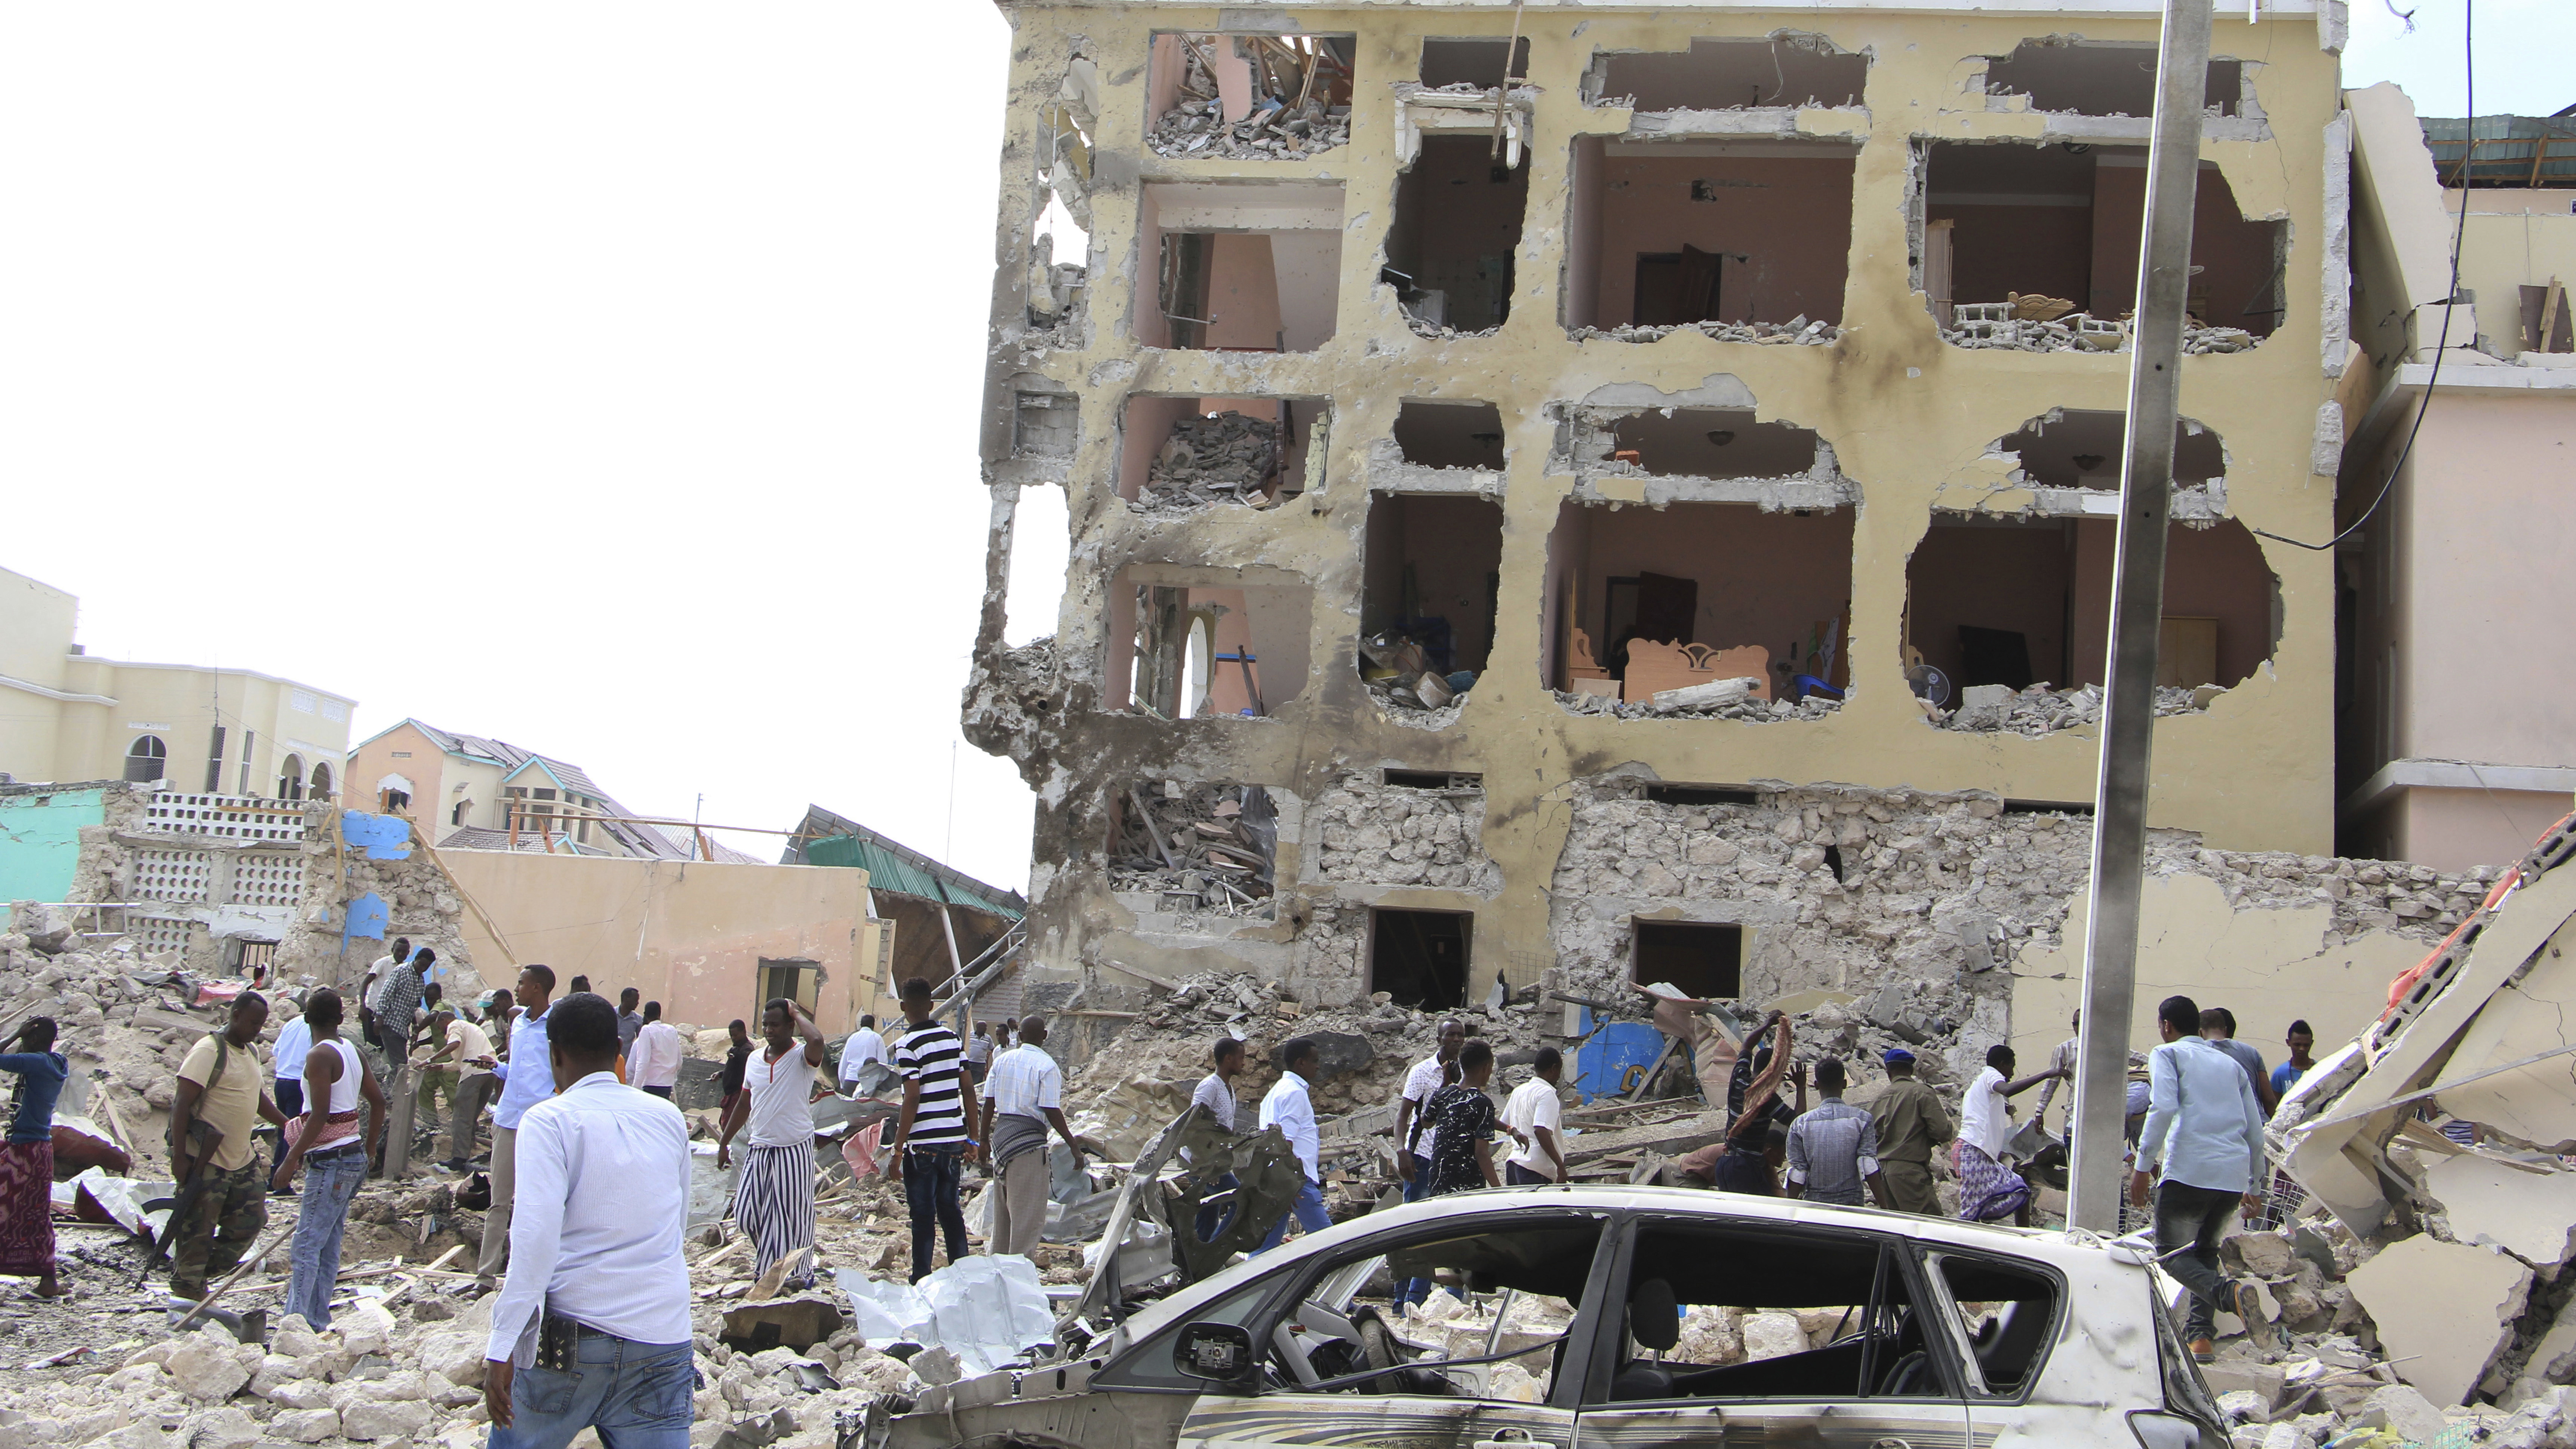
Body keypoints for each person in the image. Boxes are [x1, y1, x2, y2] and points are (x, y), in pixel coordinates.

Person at [481, 992, 693, 1449]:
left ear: (554, 1054)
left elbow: (533, 1243)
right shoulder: (668, 1118)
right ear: (619, 1050)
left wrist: (502, 1346)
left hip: (572, 1343)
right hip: (662, 1340)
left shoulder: (549, 1121)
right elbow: (675, 1227)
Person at [2134, 994, 2269, 1363]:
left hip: (2187, 1170)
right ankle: (2200, 1339)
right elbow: (2256, 1133)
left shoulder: (2167, 1054)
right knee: (2204, 1253)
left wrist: (2142, 1168)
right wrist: (2255, 1186)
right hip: (2230, 1176)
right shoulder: (2232, 1066)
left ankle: (2229, 1295)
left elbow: (2162, 1106)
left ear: (2165, 1026)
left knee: (2169, 1253)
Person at [271, 988, 387, 1329]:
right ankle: (316, 1320)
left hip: (330, 1161)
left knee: (306, 1244)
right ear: (341, 1019)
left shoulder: (319, 1056)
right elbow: (378, 1102)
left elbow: (319, 1114)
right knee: (328, 1242)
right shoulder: (351, 1050)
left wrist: (291, 1159)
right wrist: (369, 1149)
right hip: (351, 1156)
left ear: (306, 1019)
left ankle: (296, 1323)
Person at [170, 993, 287, 1302]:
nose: (257, 1030)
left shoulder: (248, 1052)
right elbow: (181, 1104)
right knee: (198, 1230)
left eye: (261, 1025)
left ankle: (196, 1274)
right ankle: (188, 1288)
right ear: (235, 1016)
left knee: (252, 1221)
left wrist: (286, 1124)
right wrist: (179, 1157)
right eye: (252, 1023)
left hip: (241, 1159)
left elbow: (256, 1097)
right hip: (206, 1161)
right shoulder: (209, 1051)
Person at [718, 998, 828, 1286]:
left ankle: (790, 1275)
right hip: (760, 1147)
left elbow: (817, 1039)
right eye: (765, 1024)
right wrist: (724, 1142)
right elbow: (745, 1103)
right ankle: (777, 1267)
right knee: (746, 1214)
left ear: (791, 1025)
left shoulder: (803, 1057)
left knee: (793, 1215)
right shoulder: (754, 1059)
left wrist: (796, 1011)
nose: (769, 1030)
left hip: (794, 1147)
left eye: (776, 1024)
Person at [884, 981, 980, 1283]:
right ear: (931, 1005)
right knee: (951, 1210)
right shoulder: (952, 1039)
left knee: (923, 1216)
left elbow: (912, 1097)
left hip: (923, 1144)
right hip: (953, 1140)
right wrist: (973, 1137)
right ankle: (961, 1275)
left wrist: (898, 1148)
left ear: (903, 1007)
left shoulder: (906, 1045)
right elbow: (969, 1090)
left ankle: (921, 1279)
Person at [478, 965, 559, 1286]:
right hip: (508, 1118)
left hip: (539, 1122)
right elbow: (519, 1068)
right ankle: (485, 1276)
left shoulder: (555, 1026)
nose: (517, 988)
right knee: (499, 1201)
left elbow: (557, 1071)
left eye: (522, 983)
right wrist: (497, 1068)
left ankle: (528, 1277)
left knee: (534, 1202)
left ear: (537, 988)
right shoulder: (518, 1024)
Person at [980, 1015, 1086, 1258]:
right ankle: (1017, 1276)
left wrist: (984, 1141)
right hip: (1027, 1145)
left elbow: (989, 1104)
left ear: (1019, 1035)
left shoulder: (1002, 1060)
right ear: (1045, 1036)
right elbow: (1051, 1109)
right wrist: (1074, 1146)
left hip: (1001, 1142)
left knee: (1004, 1218)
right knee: (1026, 1219)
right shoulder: (1046, 1066)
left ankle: (998, 1270)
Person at [1390, 1019, 1464, 1305]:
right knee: (1413, 1231)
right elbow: (1403, 1115)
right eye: (1451, 1035)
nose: (1456, 1040)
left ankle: (1420, 1302)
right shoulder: (1422, 1072)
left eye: (1461, 1035)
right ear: (1440, 1039)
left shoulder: (1464, 1074)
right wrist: (1401, 1151)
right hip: (1421, 1157)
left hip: (1449, 1163)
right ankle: (1402, 1302)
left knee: (1438, 1234)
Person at [0, 1018, 69, 1297]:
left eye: (27, 1040)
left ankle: (48, 1281)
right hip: (34, 1148)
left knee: (26, 1214)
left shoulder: (39, 1064)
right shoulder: (55, 1062)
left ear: (34, 1040)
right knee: (35, 1215)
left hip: (26, 1151)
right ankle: (48, 1281)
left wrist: (16, 1033)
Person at [1956, 1045, 2057, 1225]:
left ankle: (2022, 1241)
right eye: (2012, 1067)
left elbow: (1983, 1108)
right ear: (2003, 1065)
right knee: (1970, 1215)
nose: (2012, 1073)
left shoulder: (1979, 1084)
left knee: (2020, 1191)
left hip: (1980, 1153)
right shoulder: (1991, 1075)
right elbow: (2007, 1089)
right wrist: (2046, 1075)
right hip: (1973, 1151)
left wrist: (2005, 1109)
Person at [1703, 1016, 1798, 1194]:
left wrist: (1767, 1024)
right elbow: (1798, 1122)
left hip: (1725, 1162)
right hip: (1744, 1168)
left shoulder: (1739, 1077)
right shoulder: (1765, 1098)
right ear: (1774, 1071)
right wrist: (1801, 1088)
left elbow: (1747, 1046)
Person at [1253, 1038, 1331, 1254]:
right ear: (1300, 1063)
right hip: (1294, 1179)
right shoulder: (1294, 1093)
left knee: (1266, 1247)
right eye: (1314, 1061)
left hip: (1278, 1178)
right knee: (1330, 1240)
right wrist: (1286, 1184)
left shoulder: (1277, 1091)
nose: (1318, 1066)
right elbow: (1284, 1141)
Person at [1785, 1057, 1889, 1208]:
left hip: (1815, 1206)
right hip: (1852, 1205)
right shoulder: (1862, 1119)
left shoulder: (1800, 1124)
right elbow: (1868, 1164)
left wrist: (1790, 1208)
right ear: (1845, 1084)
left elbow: (1798, 1172)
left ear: (1816, 1085)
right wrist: (1885, 1206)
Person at [1869, 1049, 1954, 1215]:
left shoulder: (1878, 1100)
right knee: (1929, 1225)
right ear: (1912, 1070)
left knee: (1898, 1227)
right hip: (1909, 1170)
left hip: (1882, 1174)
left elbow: (1870, 1138)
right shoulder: (1922, 1092)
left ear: (1888, 1072)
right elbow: (1942, 1132)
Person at [1421, 1040, 1502, 1195]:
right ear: (1486, 1069)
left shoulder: (1442, 1094)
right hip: (1467, 1189)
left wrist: (1444, 1085)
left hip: (1438, 1185)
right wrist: (1498, 1189)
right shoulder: (1482, 1103)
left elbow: (1426, 1122)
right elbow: (1481, 1153)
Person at [443, 990, 511, 1171]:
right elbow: (457, 1063)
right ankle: (470, 1148)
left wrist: (431, 1059)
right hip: (490, 1071)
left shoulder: (455, 1025)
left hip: (478, 1071)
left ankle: (459, 1159)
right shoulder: (475, 1025)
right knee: (472, 1115)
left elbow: (455, 1043)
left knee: (462, 1116)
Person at [1189, 1036, 1247, 1240]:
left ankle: (1197, 1264)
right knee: (1240, 1201)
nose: (1244, 1063)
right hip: (1203, 1162)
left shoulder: (1229, 1088)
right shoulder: (1209, 1087)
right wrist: (1207, 1164)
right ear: (1229, 1059)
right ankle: (1213, 1254)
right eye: (1241, 1058)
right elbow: (1192, 1126)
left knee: (1208, 1214)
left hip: (1216, 1160)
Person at [1500, 1047, 1567, 1185]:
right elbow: (1540, 1130)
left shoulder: (1519, 1091)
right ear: (1554, 1069)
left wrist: (1515, 1132)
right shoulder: (1547, 1093)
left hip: (1514, 1164)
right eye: (1560, 1070)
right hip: (1535, 1169)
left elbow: (1503, 1124)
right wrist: (1560, 1166)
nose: (1559, 1076)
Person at [2201, 1008, 2280, 1116]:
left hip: (2225, 1127)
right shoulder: (2252, 1052)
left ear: (2200, 1032)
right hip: (2258, 1122)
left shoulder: (2198, 1053)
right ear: (2225, 1030)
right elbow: (2270, 1100)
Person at [269, 1002, 313, 1193]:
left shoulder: (292, 1024)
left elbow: (276, 1051)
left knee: (284, 1132)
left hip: (282, 1080)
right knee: (293, 1133)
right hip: (298, 1082)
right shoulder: (315, 1028)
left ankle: (275, 1177)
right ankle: (281, 1182)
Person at [2030, 1009, 2082, 1136]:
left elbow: (2137, 1058)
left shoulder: (2107, 1047)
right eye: (2076, 1024)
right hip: (2074, 1112)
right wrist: (2039, 1113)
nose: (2079, 1027)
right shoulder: (2065, 1049)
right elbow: (2051, 1083)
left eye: (2082, 1023)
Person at [357, 938, 410, 1042]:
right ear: (392, 950)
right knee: (371, 1045)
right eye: (398, 951)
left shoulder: (406, 969)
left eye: (404, 952)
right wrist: (362, 1006)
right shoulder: (383, 963)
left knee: (384, 1047)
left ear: (408, 953)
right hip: (373, 1010)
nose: (400, 954)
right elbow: (365, 983)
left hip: (389, 1016)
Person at [630, 1003, 683, 1100]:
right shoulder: (671, 1030)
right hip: (667, 1086)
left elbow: (643, 1062)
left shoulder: (647, 1030)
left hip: (651, 1085)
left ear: (645, 1015)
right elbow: (679, 1061)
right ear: (660, 1014)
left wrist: (636, 1088)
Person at [837, 1013, 886, 1095]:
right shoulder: (877, 1038)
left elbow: (843, 1064)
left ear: (861, 1025)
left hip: (850, 1081)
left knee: (849, 1107)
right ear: (873, 1025)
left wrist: (842, 1085)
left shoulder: (852, 1038)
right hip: (867, 1084)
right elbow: (883, 1063)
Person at [2272, 1020, 2317, 1101]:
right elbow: (2274, 1106)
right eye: (2297, 1045)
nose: (2302, 1049)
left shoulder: (2320, 1069)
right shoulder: (2280, 1073)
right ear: (2288, 1043)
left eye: (2306, 1045)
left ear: (2312, 1043)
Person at [718, 1019, 753, 1119]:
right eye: (732, 1036)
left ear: (744, 1032)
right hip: (730, 1094)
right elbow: (734, 1069)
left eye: (736, 1035)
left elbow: (748, 1060)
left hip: (738, 1094)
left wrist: (736, 1053)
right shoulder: (736, 1048)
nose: (733, 1038)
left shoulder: (747, 1048)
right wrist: (721, 1074)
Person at [615, 988, 645, 1072]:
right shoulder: (610, 1014)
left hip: (625, 1063)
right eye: (635, 1000)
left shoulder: (638, 1020)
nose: (638, 1003)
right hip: (607, 1060)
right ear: (625, 998)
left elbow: (641, 1041)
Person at [963, 1022, 994, 1086]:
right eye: (983, 1027)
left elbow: (993, 1049)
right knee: (967, 1081)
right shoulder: (970, 1035)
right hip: (969, 1062)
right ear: (978, 1027)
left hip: (980, 1064)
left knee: (977, 1083)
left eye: (986, 1027)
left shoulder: (988, 1038)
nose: (985, 1028)